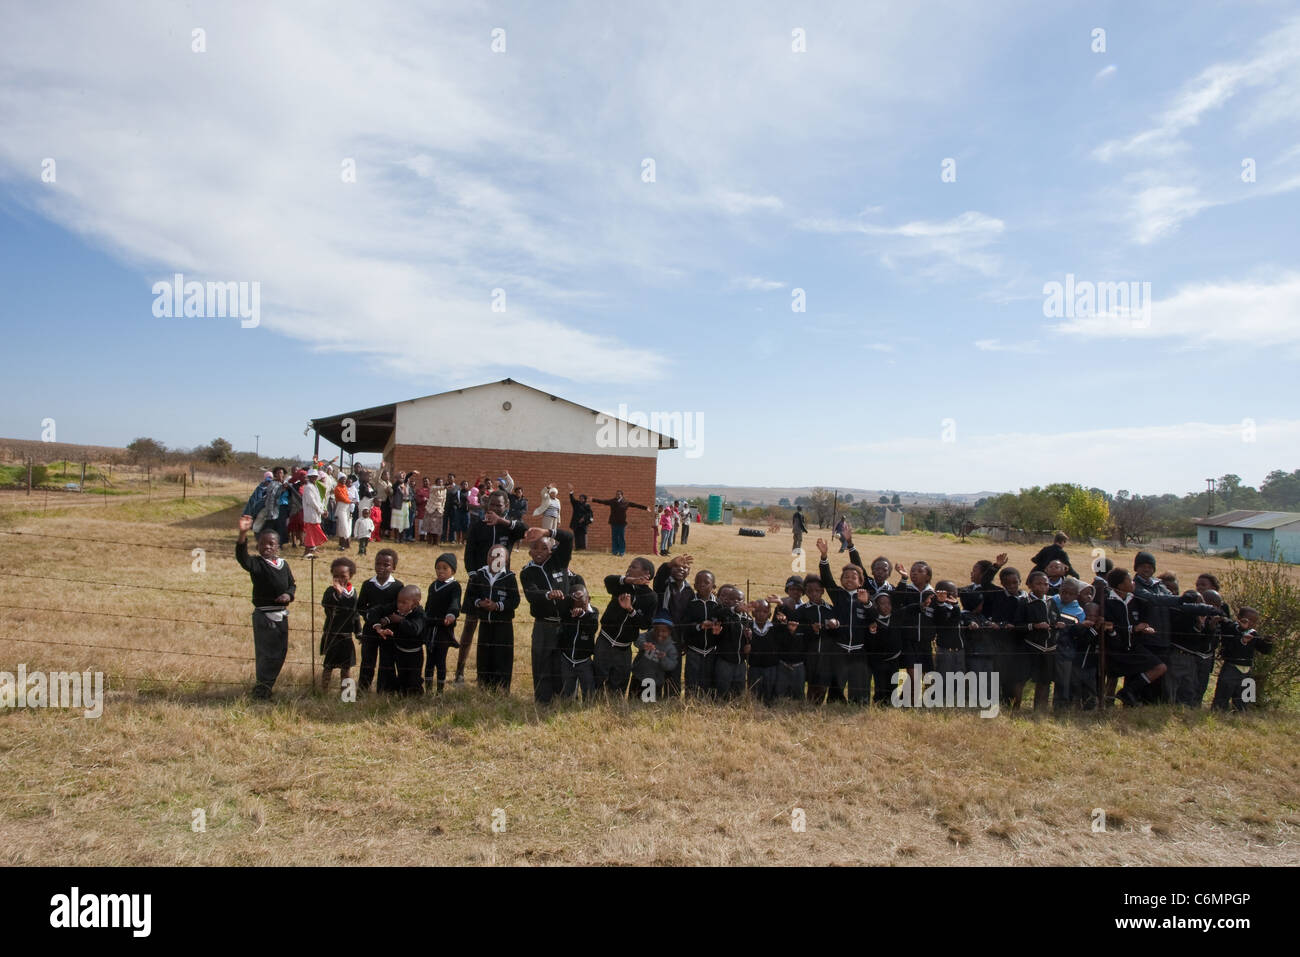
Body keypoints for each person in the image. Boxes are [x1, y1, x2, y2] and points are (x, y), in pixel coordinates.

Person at [456, 489, 530, 685]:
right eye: (493, 505)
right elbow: (469, 553)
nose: (496, 508)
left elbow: (525, 530)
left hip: (501, 583)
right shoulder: (478, 526)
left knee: (498, 628)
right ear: (487, 505)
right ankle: (460, 671)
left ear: (506, 507)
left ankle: (495, 672)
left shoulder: (509, 527)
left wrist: (502, 521)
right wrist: (474, 576)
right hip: (480, 581)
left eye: (500, 505)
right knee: (470, 624)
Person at [235, 515, 296, 699]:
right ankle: (262, 690)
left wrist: (289, 594)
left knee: (280, 653)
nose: (267, 547)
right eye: (263, 544)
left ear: (278, 546)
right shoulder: (257, 564)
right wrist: (243, 533)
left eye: (271, 544)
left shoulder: (284, 564)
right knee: (266, 655)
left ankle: (267, 687)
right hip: (265, 616)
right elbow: (242, 558)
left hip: (281, 615)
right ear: (258, 546)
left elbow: (292, 584)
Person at [520, 527, 580, 704]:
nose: (539, 552)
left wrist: (546, 532)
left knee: (564, 662)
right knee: (542, 662)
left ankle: (566, 697)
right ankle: (543, 700)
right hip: (543, 624)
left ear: (551, 550)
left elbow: (568, 537)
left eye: (544, 548)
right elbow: (531, 594)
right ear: (529, 551)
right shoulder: (527, 572)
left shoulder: (559, 560)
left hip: (565, 622)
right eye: (535, 548)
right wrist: (548, 594)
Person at [598, 558, 657, 698]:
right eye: (629, 565)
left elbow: (645, 624)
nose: (629, 568)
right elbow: (608, 580)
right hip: (605, 640)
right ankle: (594, 703)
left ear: (646, 573)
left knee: (618, 683)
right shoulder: (622, 585)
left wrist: (630, 610)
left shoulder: (651, 597)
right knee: (598, 676)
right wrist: (629, 580)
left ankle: (612, 708)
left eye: (634, 567)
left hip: (624, 647)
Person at [465, 543, 521, 691]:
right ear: (487, 557)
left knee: (502, 656)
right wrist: (480, 603)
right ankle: (484, 685)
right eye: (492, 554)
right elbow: (470, 597)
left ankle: (502, 687)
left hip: (503, 625)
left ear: (506, 560)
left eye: (500, 555)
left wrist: (497, 606)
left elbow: (515, 600)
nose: (495, 558)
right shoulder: (479, 575)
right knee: (484, 655)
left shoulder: (509, 577)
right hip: (485, 623)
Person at [357, 549, 402, 693]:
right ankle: (363, 689)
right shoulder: (367, 584)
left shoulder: (398, 586)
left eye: (386, 564)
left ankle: (384, 690)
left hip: (389, 629)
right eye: (378, 563)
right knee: (367, 660)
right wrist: (372, 620)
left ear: (394, 567)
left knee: (387, 660)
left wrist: (387, 619)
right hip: (370, 629)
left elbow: (399, 607)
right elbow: (361, 607)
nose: (381, 567)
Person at [1211, 607, 1272, 711]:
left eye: (1254, 621)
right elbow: (1228, 647)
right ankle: (1217, 716)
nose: (1251, 623)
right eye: (1248, 620)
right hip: (1231, 668)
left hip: (1247, 670)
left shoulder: (1253, 633)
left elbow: (1264, 650)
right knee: (1221, 698)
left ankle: (1241, 718)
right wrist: (1242, 639)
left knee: (1244, 701)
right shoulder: (1231, 628)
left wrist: (1268, 642)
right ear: (1239, 618)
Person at [372, 584, 427, 696]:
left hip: (414, 654)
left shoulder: (419, 614)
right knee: (402, 675)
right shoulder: (399, 611)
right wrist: (386, 623)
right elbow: (390, 618)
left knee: (414, 677)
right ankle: (403, 694)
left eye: (403, 603)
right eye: (398, 602)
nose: (399, 605)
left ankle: (416, 696)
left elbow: (414, 629)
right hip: (400, 652)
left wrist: (400, 620)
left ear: (415, 604)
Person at [320, 556, 361, 691]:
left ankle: (347, 695)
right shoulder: (330, 592)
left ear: (350, 576)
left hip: (346, 636)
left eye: (343, 576)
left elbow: (354, 614)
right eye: (336, 576)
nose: (339, 579)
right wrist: (338, 593)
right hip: (333, 634)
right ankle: (323, 691)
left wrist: (358, 632)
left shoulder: (353, 592)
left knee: (346, 667)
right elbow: (327, 605)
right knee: (328, 665)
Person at [423, 553, 462, 693]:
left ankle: (439, 690)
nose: (440, 571)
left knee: (440, 660)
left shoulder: (454, 586)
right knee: (429, 660)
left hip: (444, 629)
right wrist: (424, 617)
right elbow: (428, 605)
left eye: (444, 568)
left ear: (453, 570)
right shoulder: (433, 585)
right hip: (430, 627)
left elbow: (455, 602)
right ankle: (427, 689)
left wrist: (451, 615)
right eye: (438, 568)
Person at [681, 570, 722, 696]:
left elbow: (723, 622)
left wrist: (718, 629)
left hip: (711, 649)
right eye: (699, 582)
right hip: (694, 648)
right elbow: (685, 625)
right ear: (695, 586)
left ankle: (707, 700)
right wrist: (699, 626)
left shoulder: (718, 605)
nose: (702, 585)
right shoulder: (691, 604)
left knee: (708, 677)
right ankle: (690, 699)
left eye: (706, 582)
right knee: (692, 677)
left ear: (714, 586)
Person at [557, 585, 599, 701]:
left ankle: (588, 708)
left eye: (583, 603)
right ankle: (569, 706)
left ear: (589, 599)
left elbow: (592, 628)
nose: (579, 607)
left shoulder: (593, 613)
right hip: (567, 659)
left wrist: (582, 615)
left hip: (584, 661)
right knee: (568, 693)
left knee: (589, 692)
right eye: (576, 604)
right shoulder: (566, 612)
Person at [587, 489, 650, 557]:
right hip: (614, 522)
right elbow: (603, 501)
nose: (617, 495)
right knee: (614, 537)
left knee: (621, 537)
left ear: (622, 495)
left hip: (622, 523)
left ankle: (621, 552)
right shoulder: (612, 501)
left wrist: (645, 508)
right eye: (616, 494)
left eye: (619, 494)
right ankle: (615, 551)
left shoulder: (626, 502)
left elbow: (635, 505)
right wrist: (593, 499)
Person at [632, 617, 679, 703]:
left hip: (655, 682)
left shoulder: (671, 647)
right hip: (638, 676)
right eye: (657, 630)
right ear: (653, 629)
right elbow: (637, 638)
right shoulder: (648, 636)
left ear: (670, 632)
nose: (660, 634)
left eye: (664, 631)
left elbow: (672, 665)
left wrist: (663, 658)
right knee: (633, 701)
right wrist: (644, 644)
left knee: (649, 705)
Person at [301, 469, 327, 556]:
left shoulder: (314, 486)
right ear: (309, 477)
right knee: (311, 533)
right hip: (311, 513)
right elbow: (311, 501)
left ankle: (311, 550)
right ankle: (307, 551)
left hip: (315, 513)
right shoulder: (308, 487)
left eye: (315, 477)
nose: (314, 478)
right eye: (312, 477)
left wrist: (322, 510)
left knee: (313, 533)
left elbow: (318, 501)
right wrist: (320, 511)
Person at [568, 485, 594, 550]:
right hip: (576, 522)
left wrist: (584, 518)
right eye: (580, 498)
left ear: (585, 499)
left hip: (583, 523)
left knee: (582, 536)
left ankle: (583, 548)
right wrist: (571, 492)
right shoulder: (576, 504)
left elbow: (589, 513)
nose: (581, 499)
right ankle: (577, 548)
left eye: (582, 498)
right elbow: (572, 499)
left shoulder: (587, 506)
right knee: (576, 535)